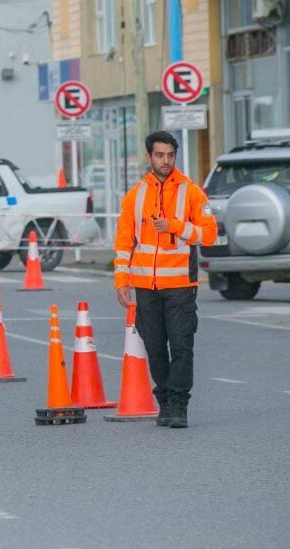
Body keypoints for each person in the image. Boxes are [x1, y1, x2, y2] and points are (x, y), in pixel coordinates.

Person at [113, 131, 217, 429]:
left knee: (181, 345)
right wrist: (122, 280)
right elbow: (123, 243)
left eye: (170, 155)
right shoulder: (135, 195)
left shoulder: (192, 192)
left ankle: (179, 404)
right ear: (149, 157)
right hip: (146, 286)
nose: (165, 161)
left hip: (181, 285)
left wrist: (175, 226)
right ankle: (165, 400)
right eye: (160, 155)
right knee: (155, 346)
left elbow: (209, 234)